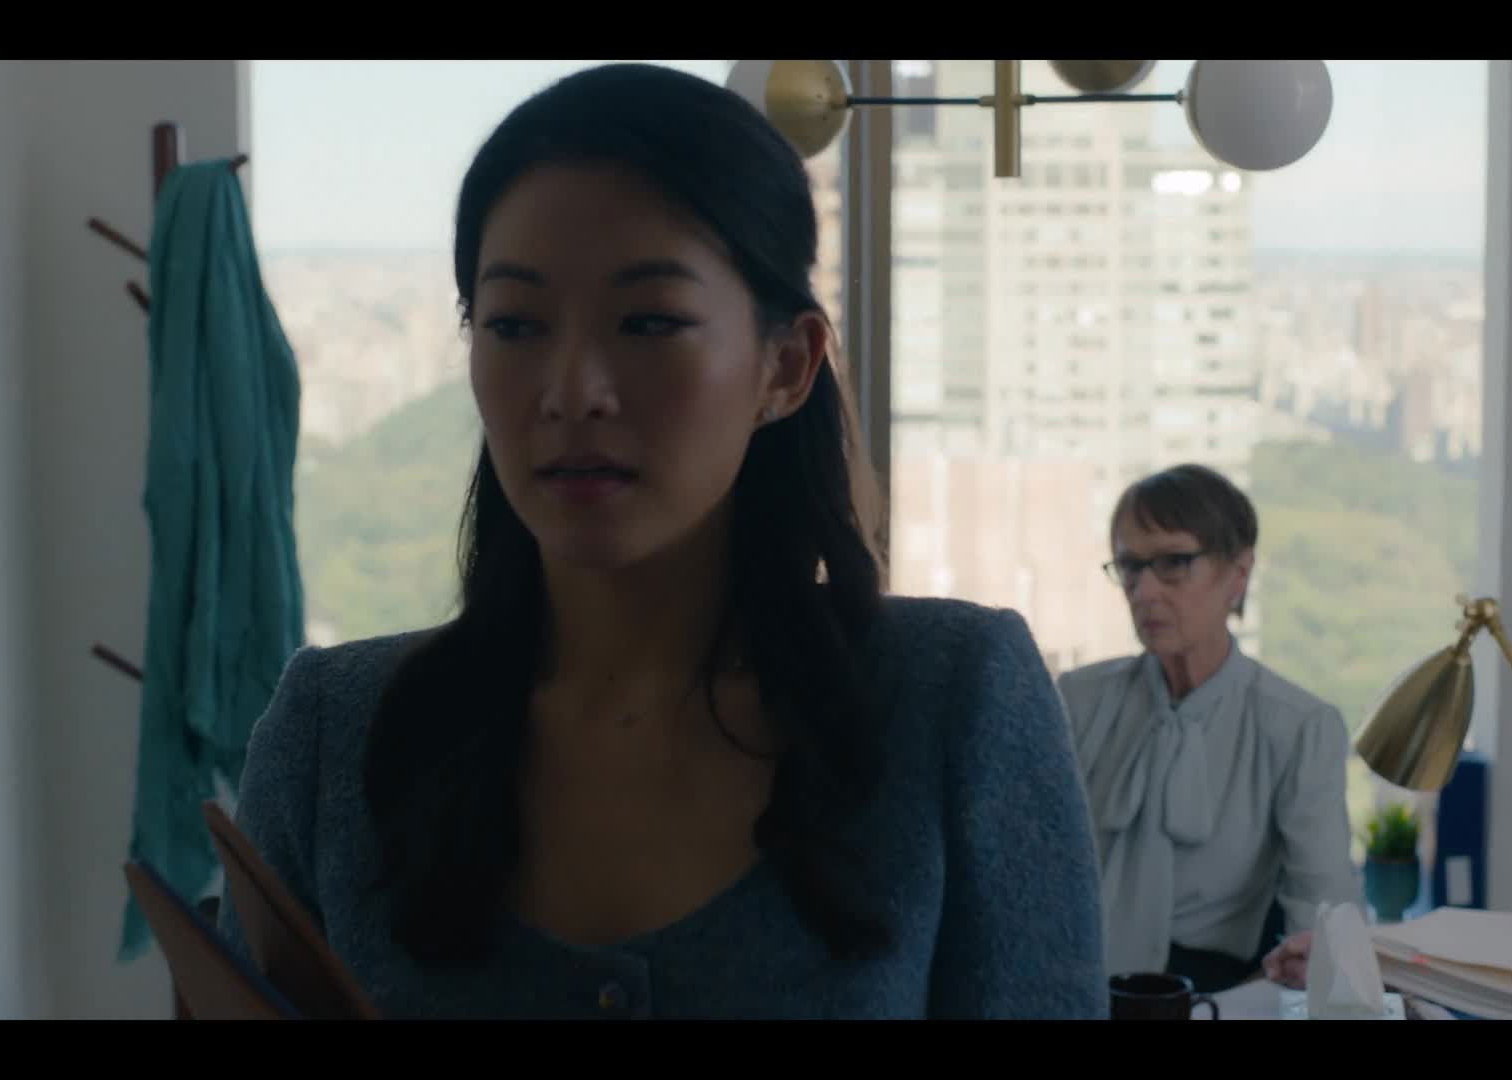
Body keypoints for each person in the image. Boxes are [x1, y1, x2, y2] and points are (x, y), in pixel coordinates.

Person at [214, 62, 1106, 1019]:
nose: (574, 391)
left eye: (647, 322)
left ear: (786, 364)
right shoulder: (335, 739)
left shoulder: (954, 705)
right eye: (514, 324)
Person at [1057, 464, 1358, 994]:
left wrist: (1300, 966)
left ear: (1238, 574)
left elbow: (1323, 917)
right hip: (1072, 982)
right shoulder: (1076, 701)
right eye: (1130, 566)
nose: (1144, 591)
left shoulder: (1298, 727)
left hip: (1221, 996)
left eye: (1174, 563)